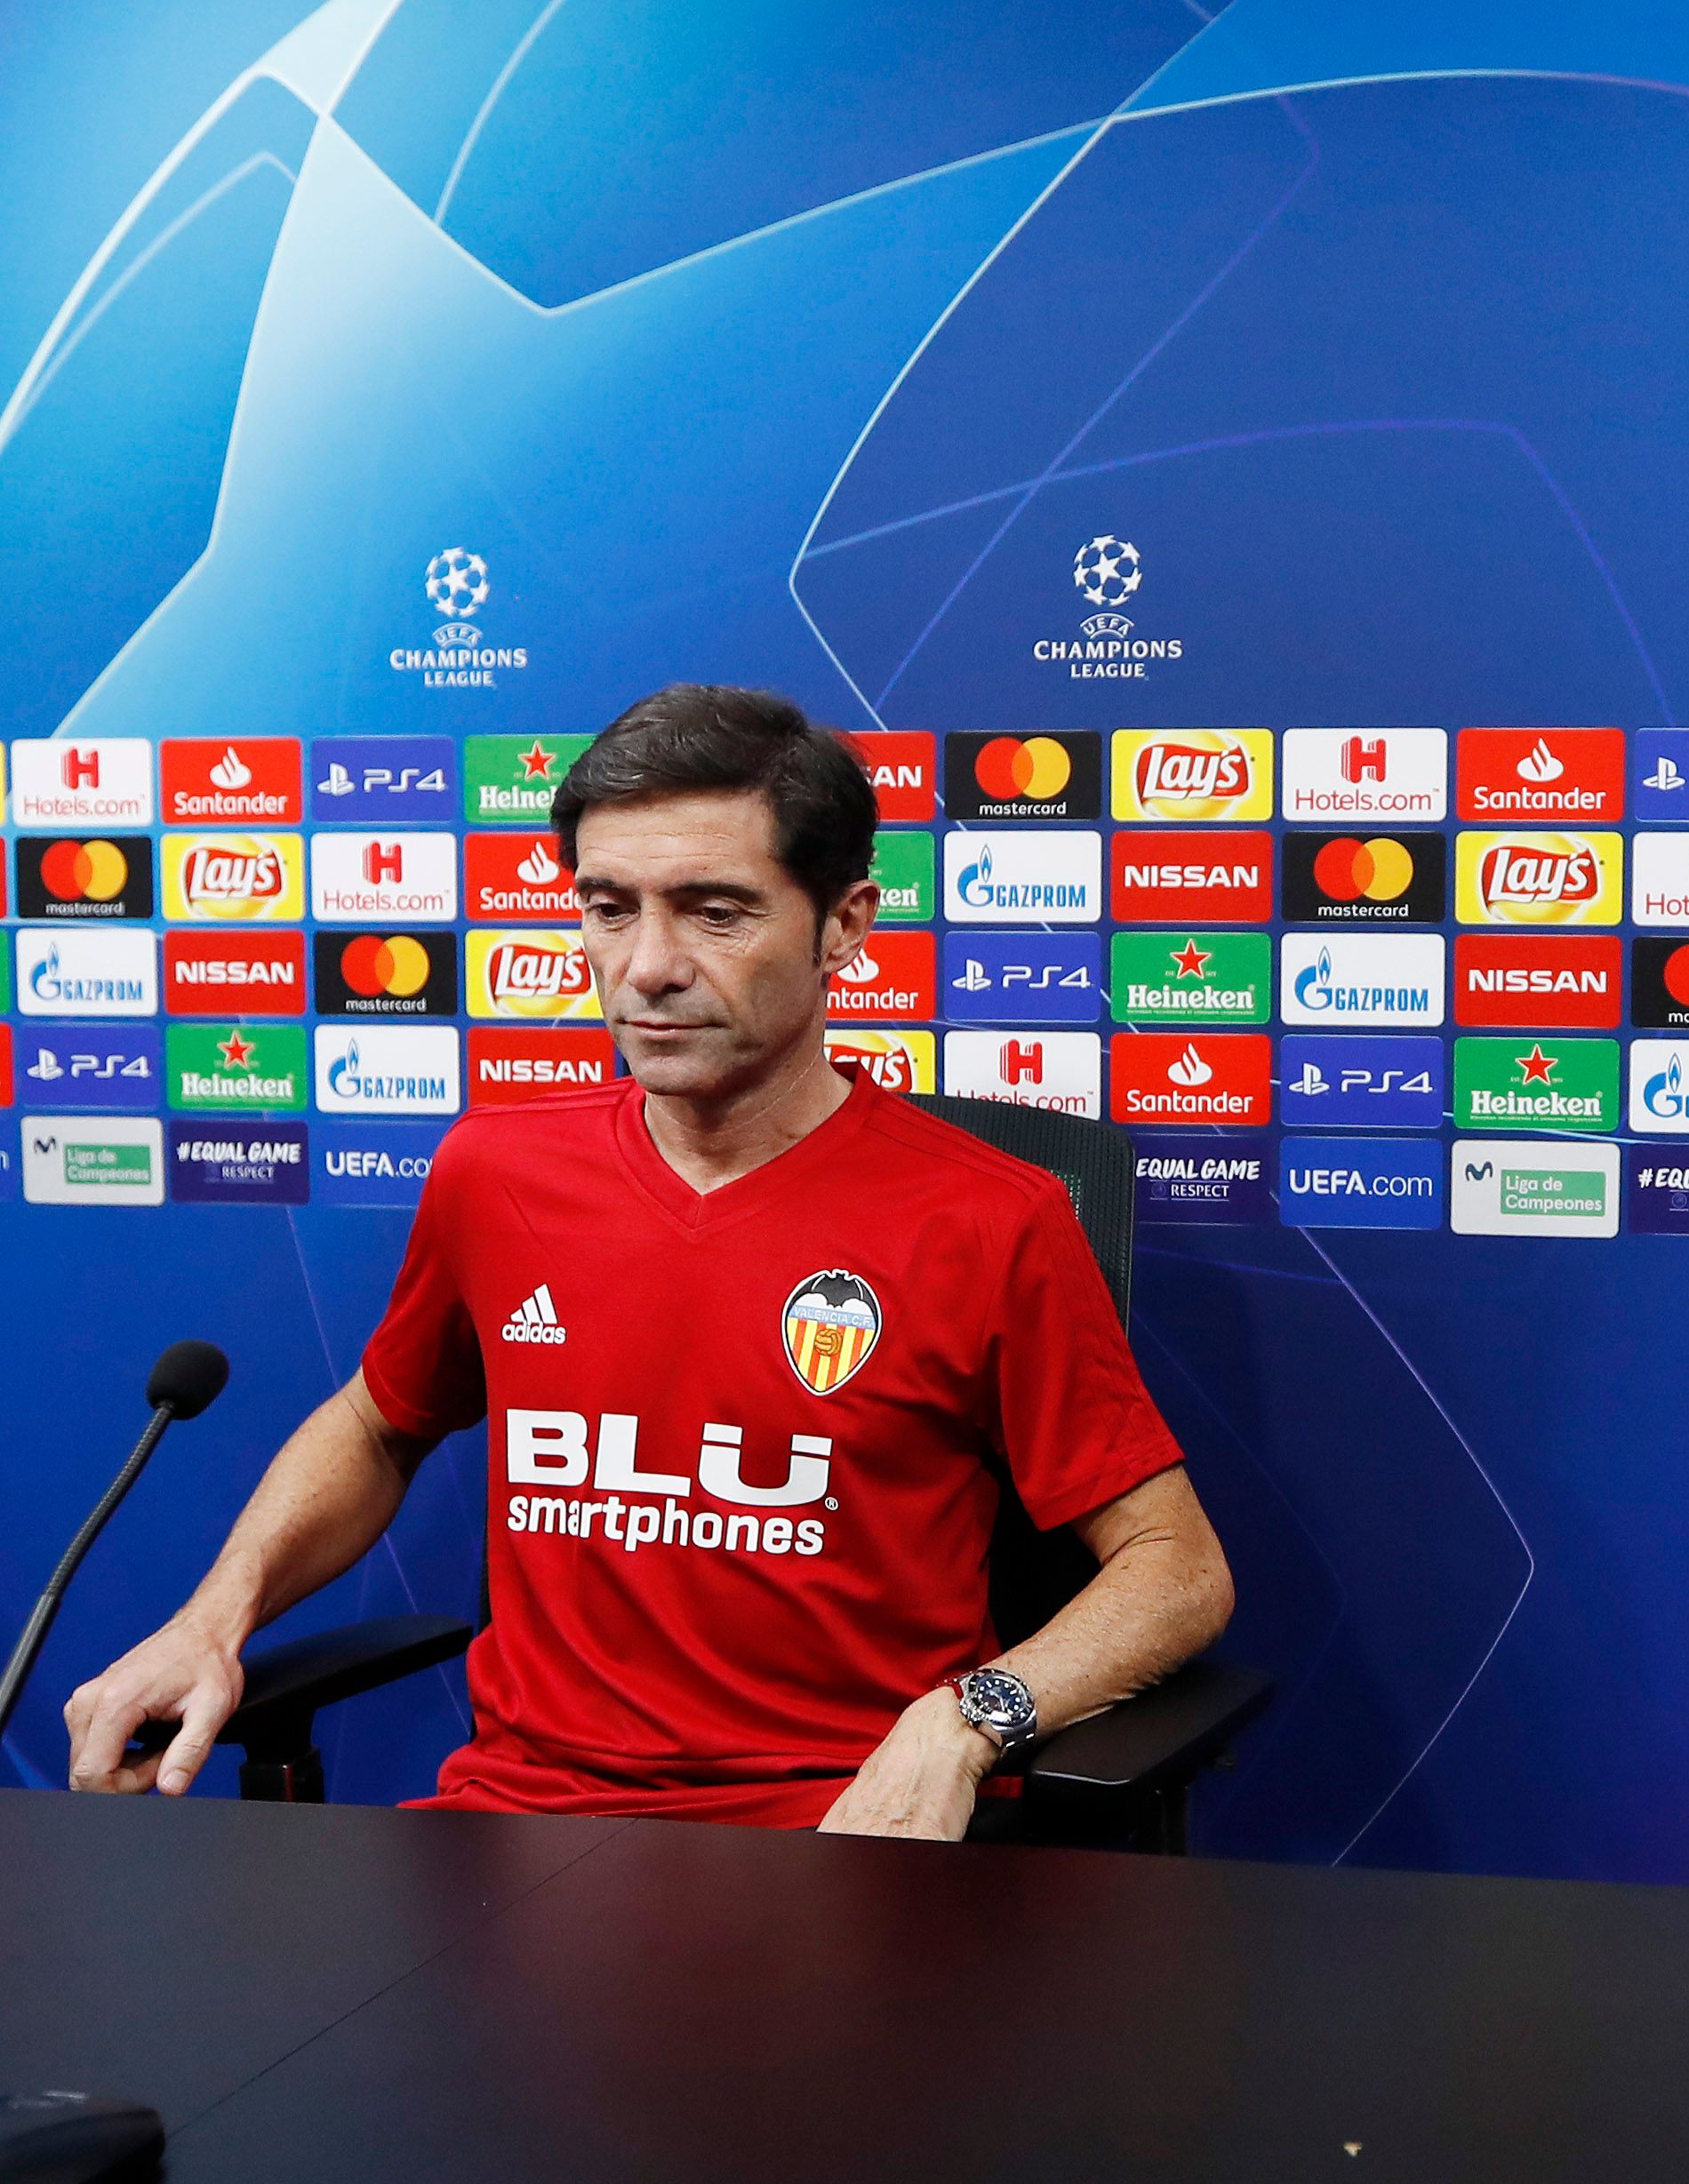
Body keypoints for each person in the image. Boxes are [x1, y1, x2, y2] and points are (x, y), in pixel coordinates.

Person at [66, 685, 1231, 1837]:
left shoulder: (994, 1215)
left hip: (846, 1842)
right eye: (610, 907)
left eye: (715, 910)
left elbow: (1174, 1566)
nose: (647, 965)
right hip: (515, 1829)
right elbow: (380, 1420)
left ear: (847, 925)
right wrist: (214, 1619)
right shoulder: (495, 1171)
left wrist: (965, 1723)